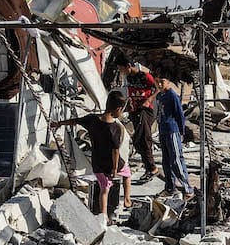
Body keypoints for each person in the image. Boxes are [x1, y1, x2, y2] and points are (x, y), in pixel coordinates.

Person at [51, 90, 130, 221]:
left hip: (97, 164)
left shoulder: (92, 119)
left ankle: (103, 217)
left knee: (104, 189)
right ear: (118, 109)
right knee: (127, 174)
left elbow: (74, 121)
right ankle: (127, 200)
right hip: (111, 164)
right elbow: (115, 151)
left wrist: (59, 123)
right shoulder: (115, 128)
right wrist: (115, 169)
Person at [119, 60, 160, 181]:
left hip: (145, 110)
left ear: (128, 66)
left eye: (121, 68)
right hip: (135, 111)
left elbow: (157, 88)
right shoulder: (129, 78)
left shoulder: (145, 76)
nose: (121, 71)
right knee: (138, 141)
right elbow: (130, 93)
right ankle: (150, 167)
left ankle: (152, 168)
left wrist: (149, 100)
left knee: (144, 138)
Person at [154, 75, 192, 198]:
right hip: (163, 131)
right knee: (166, 161)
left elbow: (179, 114)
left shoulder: (172, 96)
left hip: (172, 131)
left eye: (162, 81)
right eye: (157, 81)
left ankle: (187, 188)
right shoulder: (160, 96)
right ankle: (170, 187)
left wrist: (181, 131)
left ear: (168, 81)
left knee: (176, 160)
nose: (159, 84)